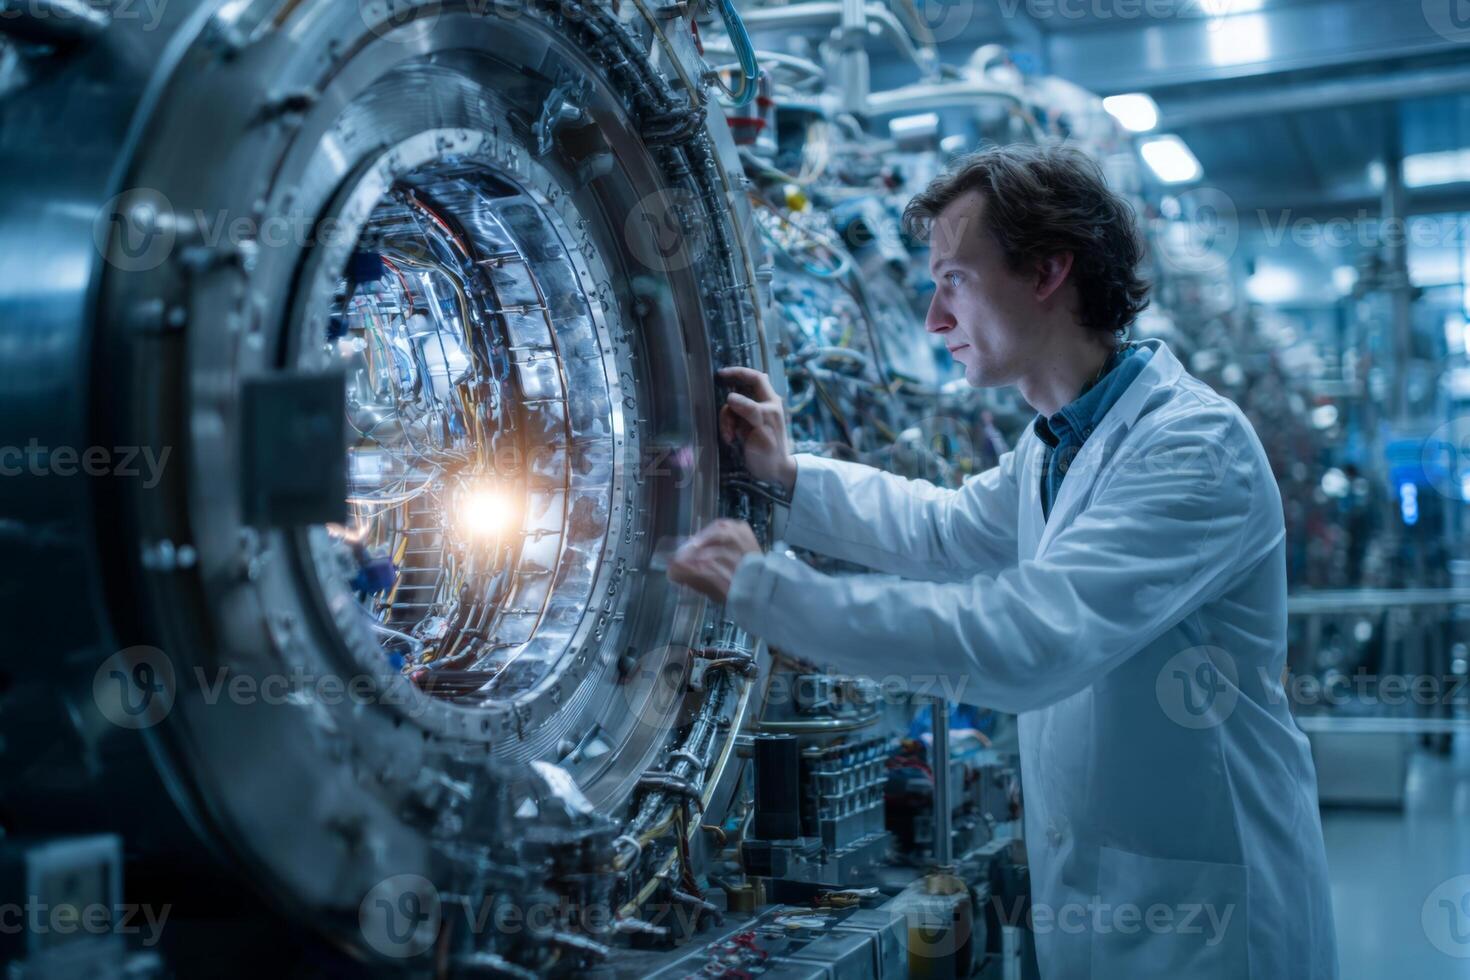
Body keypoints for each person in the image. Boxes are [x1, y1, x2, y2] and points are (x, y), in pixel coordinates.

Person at [667, 142, 1337, 979]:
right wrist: (787, 474)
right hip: (1102, 903)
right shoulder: (1054, 444)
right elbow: (944, 531)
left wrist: (775, 595)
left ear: (1048, 271)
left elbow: (1030, 641)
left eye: (953, 280)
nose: (933, 319)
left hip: (1209, 930)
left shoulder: (1194, 451)